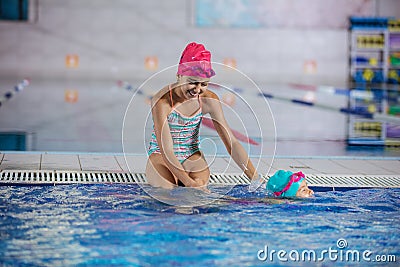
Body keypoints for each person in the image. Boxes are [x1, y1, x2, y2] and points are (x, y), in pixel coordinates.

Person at [145, 42, 263, 192]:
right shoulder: (162, 101)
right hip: (161, 156)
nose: (198, 89)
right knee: (167, 190)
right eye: (193, 82)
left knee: (199, 188)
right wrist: (187, 182)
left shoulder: (209, 100)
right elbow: (167, 150)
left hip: (191, 155)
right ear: (179, 76)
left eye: (204, 84)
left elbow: (231, 142)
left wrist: (255, 178)